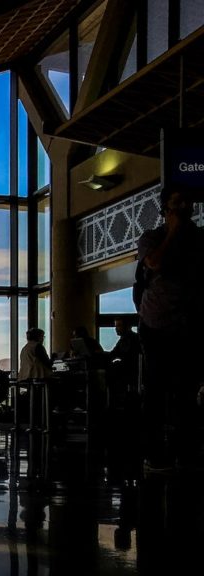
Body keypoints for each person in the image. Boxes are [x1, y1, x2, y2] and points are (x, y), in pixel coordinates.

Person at [137, 185, 204, 471]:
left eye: (187, 202)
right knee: (156, 390)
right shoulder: (153, 238)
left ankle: (185, 451)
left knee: (186, 391)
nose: (183, 208)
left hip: (187, 323)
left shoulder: (199, 240)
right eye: (177, 203)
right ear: (165, 209)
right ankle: (155, 453)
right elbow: (154, 262)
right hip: (156, 323)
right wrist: (174, 232)